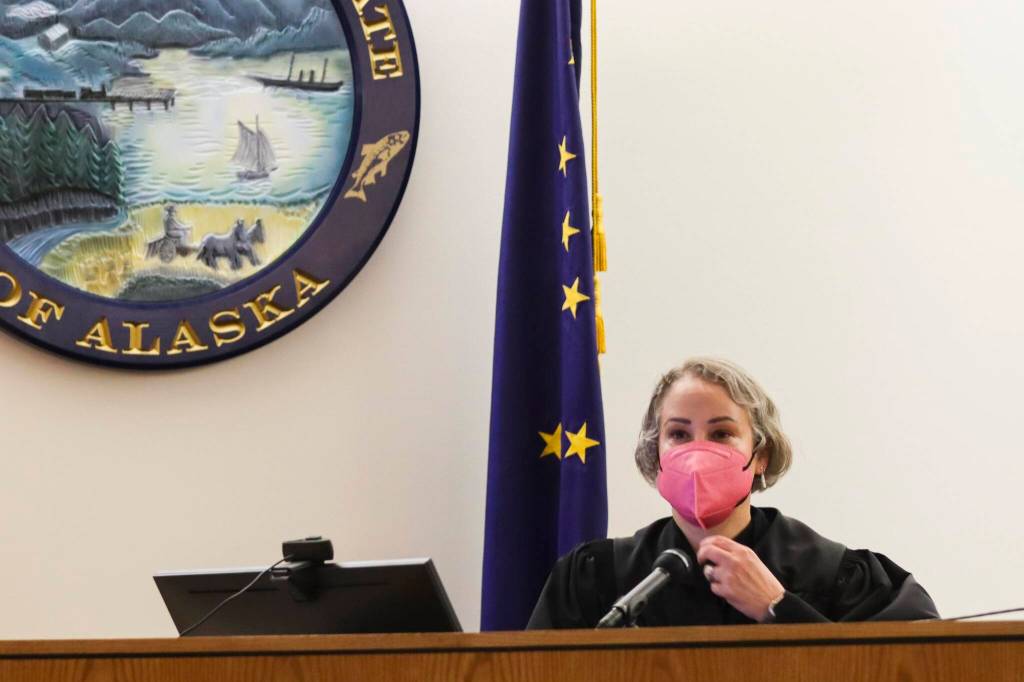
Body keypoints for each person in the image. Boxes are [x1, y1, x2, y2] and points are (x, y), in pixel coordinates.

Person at [527, 357, 939, 628]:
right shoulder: (596, 579)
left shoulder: (835, 575)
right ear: (656, 452)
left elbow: (914, 665)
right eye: (678, 434)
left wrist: (778, 607)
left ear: (761, 455)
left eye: (722, 433)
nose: (697, 451)